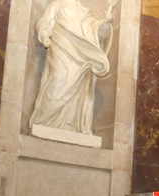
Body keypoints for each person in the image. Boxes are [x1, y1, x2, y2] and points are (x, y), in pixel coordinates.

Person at [30, 0, 117, 135]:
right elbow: (44, 22)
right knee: (58, 80)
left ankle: (69, 124)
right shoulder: (57, 4)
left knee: (76, 86)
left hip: (80, 58)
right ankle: (43, 120)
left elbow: (97, 33)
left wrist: (106, 22)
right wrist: (44, 34)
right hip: (61, 48)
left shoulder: (84, 12)